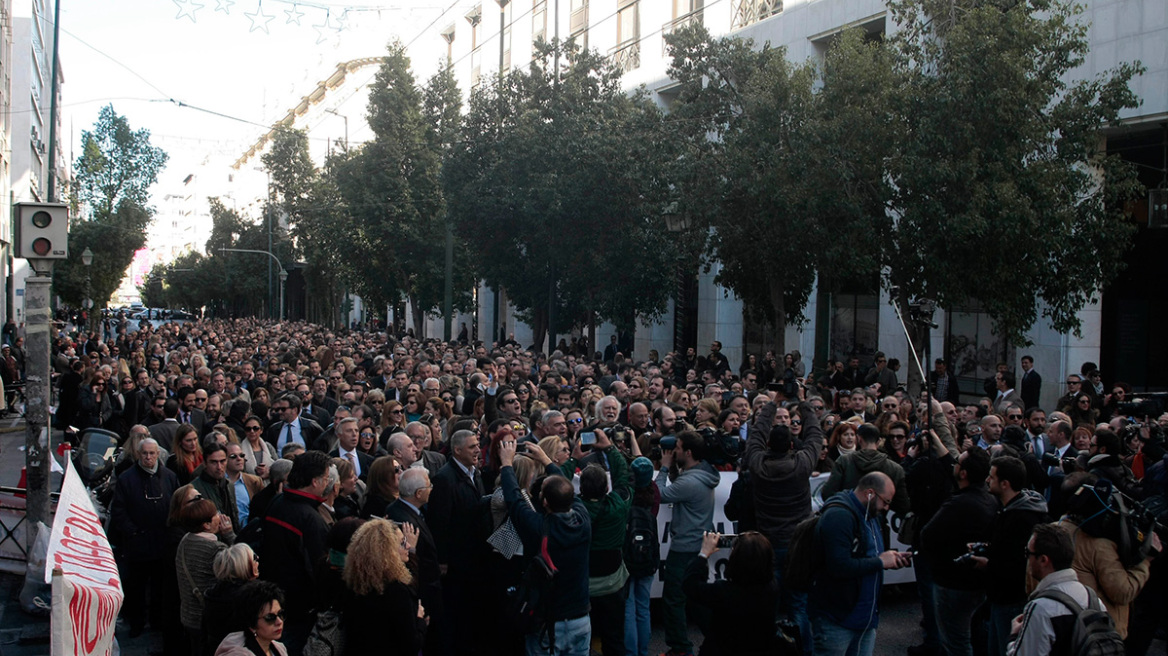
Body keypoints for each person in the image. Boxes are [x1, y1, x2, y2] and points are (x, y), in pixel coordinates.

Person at [497, 439, 593, 656]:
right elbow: (564, 486)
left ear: (545, 503)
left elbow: (513, 499)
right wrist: (547, 460)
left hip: (549, 622)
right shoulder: (583, 520)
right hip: (580, 618)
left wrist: (506, 464)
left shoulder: (538, 527)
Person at [744, 399, 822, 651]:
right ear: (791, 445)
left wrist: (770, 406)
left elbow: (754, 436)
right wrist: (805, 406)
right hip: (799, 544)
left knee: (768, 604)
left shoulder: (758, 465)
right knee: (799, 604)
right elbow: (815, 437)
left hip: (769, 543)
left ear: (768, 443)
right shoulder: (801, 464)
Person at [808, 472, 910, 656]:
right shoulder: (839, 516)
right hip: (837, 620)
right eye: (885, 501)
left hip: (865, 620)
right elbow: (839, 566)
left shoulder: (871, 514)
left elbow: (868, 555)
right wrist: (880, 562)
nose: (887, 508)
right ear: (870, 493)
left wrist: (888, 558)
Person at [1056, 474, 1159, 638]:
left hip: (1060, 628)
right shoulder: (1099, 546)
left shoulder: (1048, 532)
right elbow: (1123, 591)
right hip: (1099, 634)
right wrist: (1145, 561)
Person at [919, 448, 997, 656]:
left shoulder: (959, 503)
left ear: (963, 473)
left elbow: (928, 536)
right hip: (974, 581)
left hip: (953, 582)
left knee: (955, 640)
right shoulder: (988, 498)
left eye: (958, 463)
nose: (954, 465)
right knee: (974, 632)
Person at [258, 451, 332, 655]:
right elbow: (319, 570)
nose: (328, 483)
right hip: (299, 611)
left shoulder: (277, 502)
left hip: (274, 599)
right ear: (315, 481)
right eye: (326, 478)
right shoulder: (311, 520)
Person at [657, 430, 722, 656]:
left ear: (689, 452)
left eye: (677, 448)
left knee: (674, 600)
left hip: (684, 548)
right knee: (697, 598)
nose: (673, 451)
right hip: (698, 546)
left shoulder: (691, 481)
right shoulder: (703, 474)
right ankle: (718, 639)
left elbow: (660, 495)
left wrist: (664, 467)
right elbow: (680, 483)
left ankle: (680, 648)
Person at [979, 456, 1050, 656]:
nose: (986, 481)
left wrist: (987, 564)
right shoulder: (1010, 510)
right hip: (1000, 598)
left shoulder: (1021, 519)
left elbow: (1016, 564)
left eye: (991, 477)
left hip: (1010, 599)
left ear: (1005, 484)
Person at [110, 436, 180, 638]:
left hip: (162, 543)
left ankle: (157, 621)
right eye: (145, 453)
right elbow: (119, 511)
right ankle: (137, 623)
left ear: (158, 454)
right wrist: (132, 532)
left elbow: (177, 505)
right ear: (138, 454)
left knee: (160, 587)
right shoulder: (126, 478)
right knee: (136, 587)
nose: (148, 457)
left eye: (152, 453)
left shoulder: (169, 477)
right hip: (138, 545)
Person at [428, 429, 488, 656]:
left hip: (475, 556)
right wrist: (442, 559)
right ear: (457, 450)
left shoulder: (475, 472)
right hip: (457, 560)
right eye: (472, 446)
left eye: (477, 445)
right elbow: (439, 523)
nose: (477, 450)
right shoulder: (444, 479)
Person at [341, 519, 428, 656]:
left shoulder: (354, 581)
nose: (408, 546)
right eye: (402, 543)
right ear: (387, 551)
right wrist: (420, 621)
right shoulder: (397, 590)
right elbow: (411, 644)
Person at [684, 530, 778, 656]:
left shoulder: (724, 592)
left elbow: (690, 585)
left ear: (736, 560)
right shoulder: (772, 588)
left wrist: (703, 554)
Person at [1005, 524, 1094, 656]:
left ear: (1043, 560)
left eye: (1027, 553)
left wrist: (1013, 637)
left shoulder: (1041, 608)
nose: (1027, 559)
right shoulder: (1093, 600)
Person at [176, 497, 229, 656]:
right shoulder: (215, 548)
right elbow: (240, 570)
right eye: (216, 514)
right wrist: (230, 535)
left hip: (188, 616)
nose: (220, 516)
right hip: (207, 620)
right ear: (206, 525)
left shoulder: (185, 540)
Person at [204, 543, 261, 650]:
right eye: (253, 557)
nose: (257, 560)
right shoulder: (252, 596)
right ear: (243, 565)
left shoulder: (212, 594)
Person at [213, 580, 288, 656]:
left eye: (280, 614)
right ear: (252, 624)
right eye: (270, 617)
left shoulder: (279, 648)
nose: (279, 622)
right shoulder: (237, 654)